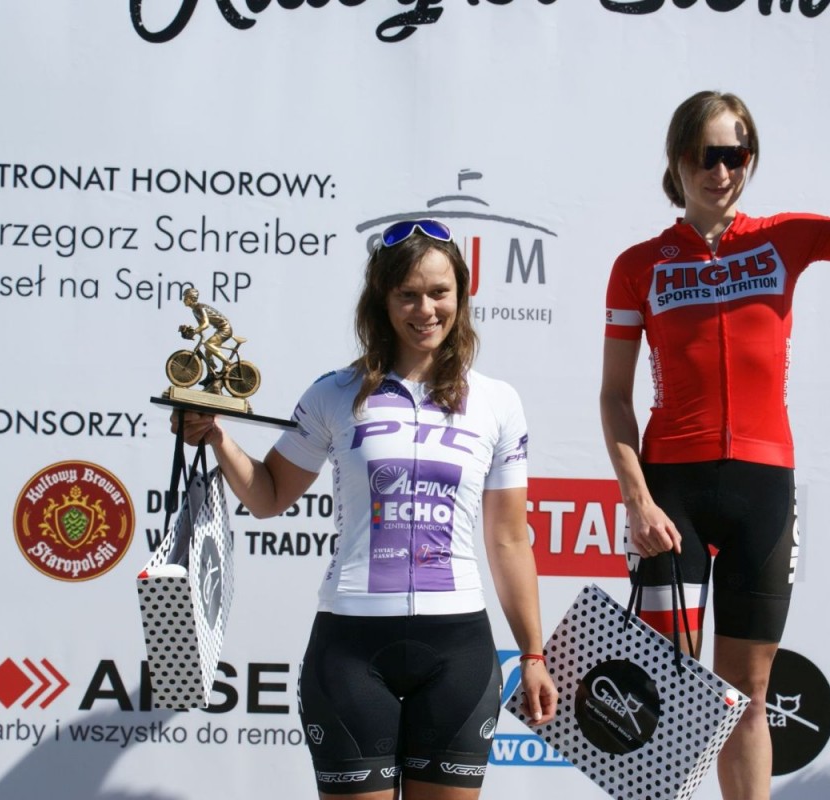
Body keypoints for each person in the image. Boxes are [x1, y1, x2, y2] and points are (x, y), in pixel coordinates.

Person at [600, 82, 830, 799]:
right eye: (706, 154)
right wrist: (637, 499)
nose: (721, 170)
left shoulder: (784, 238)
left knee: (748, 697)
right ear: (677, 158)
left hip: (762, 490)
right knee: (667, 694)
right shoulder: (639, 265)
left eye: (736, 154)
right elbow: (613, 396)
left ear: (751, 159)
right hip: (672, 496)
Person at [176, 218, 557, 799]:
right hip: (352, 644)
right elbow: (269, 495)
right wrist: (217, 437)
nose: (425, 310)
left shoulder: (496, 402)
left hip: (458, 648)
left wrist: (531, 653)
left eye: (439, 292)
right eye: (408, 294)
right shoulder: (335, 392)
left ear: (460, 295)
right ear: (382, 300)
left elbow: (508, 539)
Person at [180, 287, 234, 392]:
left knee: (208, 345)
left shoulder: (199, 308)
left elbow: (205, 324)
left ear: (191, 298)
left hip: (225, 329)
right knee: (207, 351)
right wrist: (192, 332)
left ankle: (227, 362)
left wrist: (195, 331)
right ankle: (211, 374)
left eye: (185, 298)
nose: (183, 300)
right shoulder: (194, 310)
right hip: (220, 328)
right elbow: (201, 327)